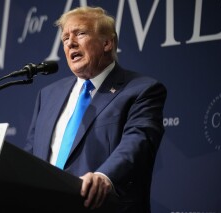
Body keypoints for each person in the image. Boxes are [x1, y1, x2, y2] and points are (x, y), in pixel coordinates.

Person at [24, 6, 167, 213]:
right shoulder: (48, 95)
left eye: (80, 33)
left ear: (107, 43)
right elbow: (31, 157)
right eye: (65, 38)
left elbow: (138, 141)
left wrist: (104, 177)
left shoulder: (142, 90)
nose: (70, 43)